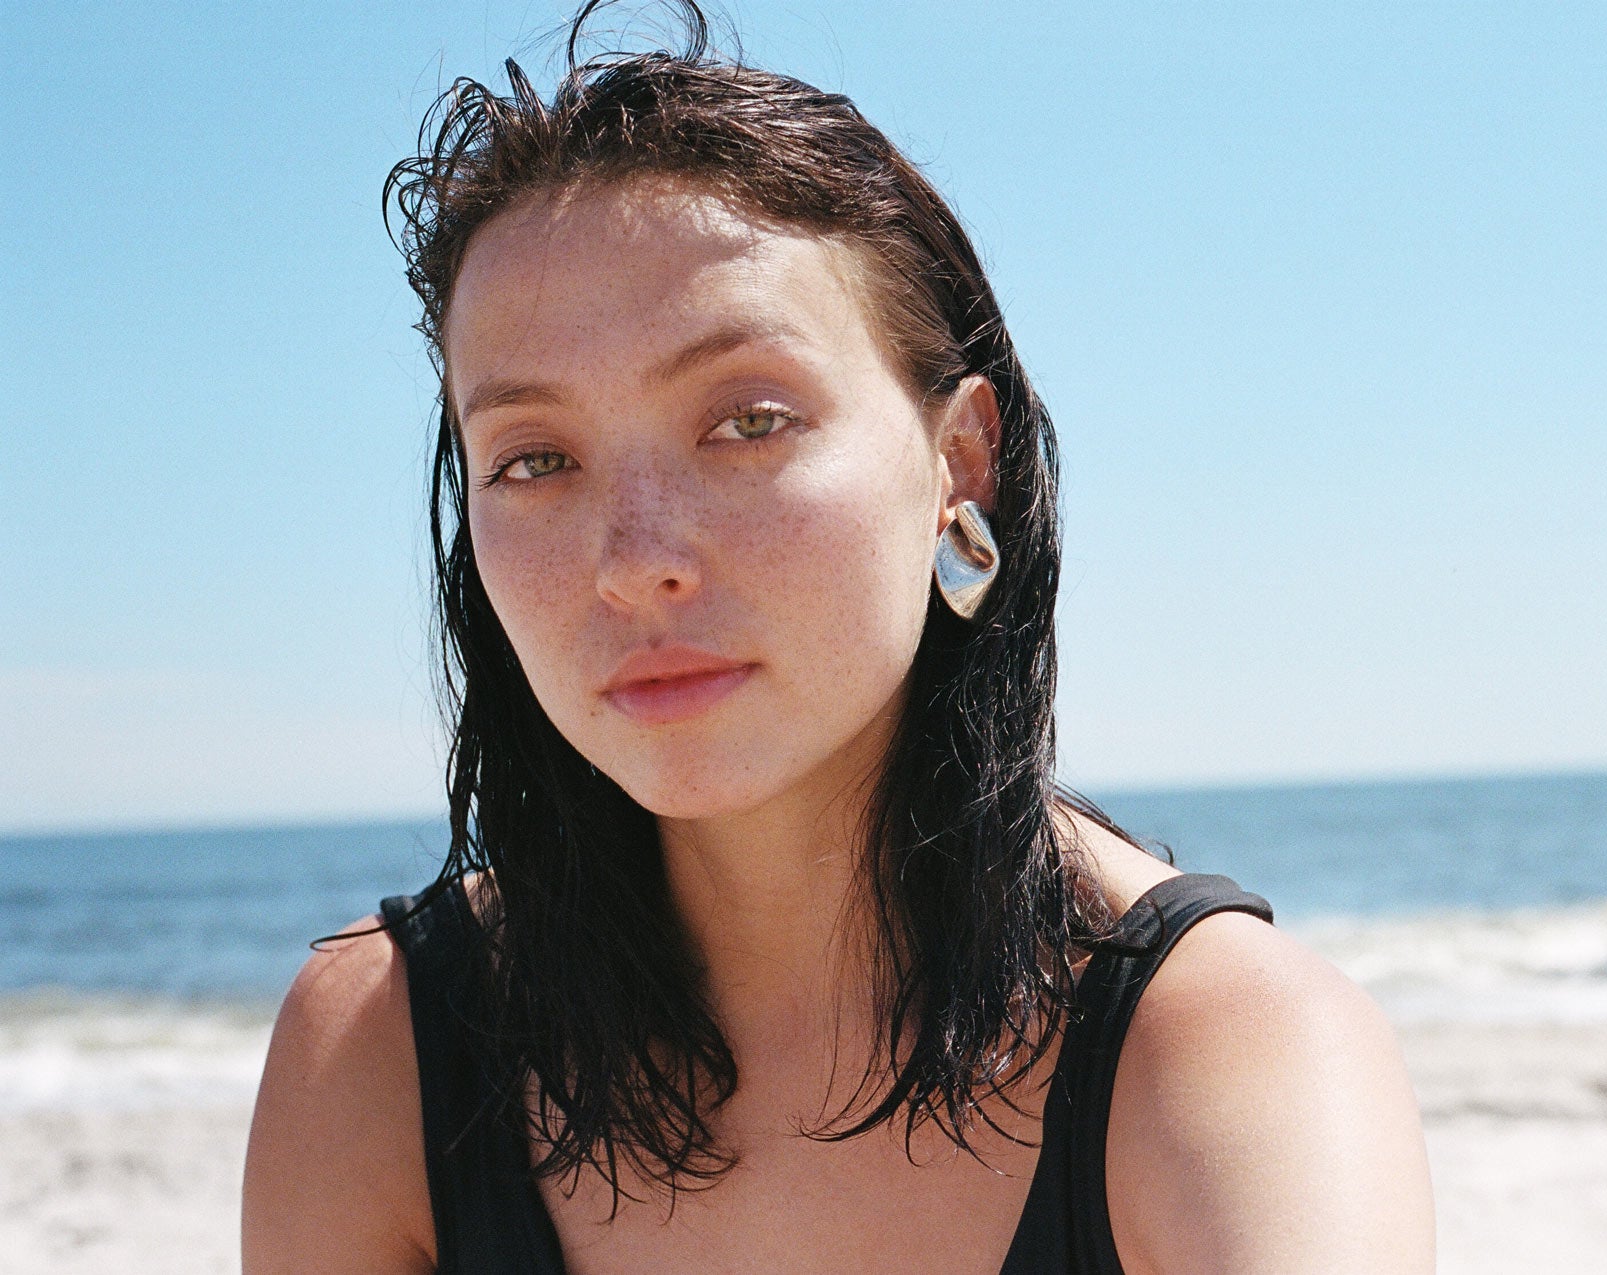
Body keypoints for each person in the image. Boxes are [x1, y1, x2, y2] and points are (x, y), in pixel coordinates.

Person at [241, 4, 1435, 1270]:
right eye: (534, 459)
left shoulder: (1222, 1057)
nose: (634, 561)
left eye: (747, 422)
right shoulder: (380, 1047)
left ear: (958, 462)